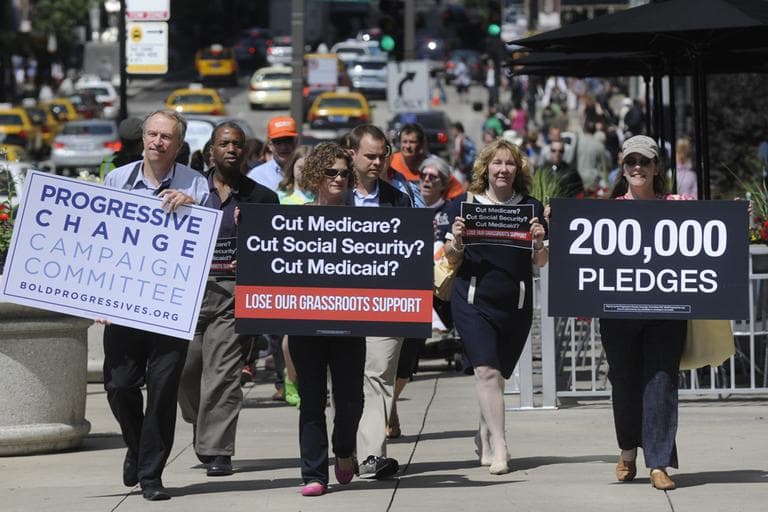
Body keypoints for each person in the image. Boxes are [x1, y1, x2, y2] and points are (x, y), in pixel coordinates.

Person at [102, 110, 210, 501]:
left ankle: (151, 475)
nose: (158, 142)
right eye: (152, 134)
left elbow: (209, 239)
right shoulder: (117, 179)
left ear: (179, 146)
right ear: (142, 138)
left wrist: (192, 206)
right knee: (119, 386)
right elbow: (103, 241)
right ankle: (137, 446)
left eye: (167, 137)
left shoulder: (196, 183)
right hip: (124, 304)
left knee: (163, 390)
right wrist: (95, 294)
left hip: (170, 307)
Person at [177, 122, 279, 478]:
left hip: (234, 293)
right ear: (211, 152)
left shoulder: (263, 198)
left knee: (223, 373)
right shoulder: (186, 188)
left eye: (237, 144)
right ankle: (203, 420)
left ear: (246, 152)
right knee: (185, 371)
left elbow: (272, 253)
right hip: (188, 291)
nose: (231, 149)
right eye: (224, 143)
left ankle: (217, 449)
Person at [444, 138, 548, 475]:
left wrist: (537, 241)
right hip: (474, 300)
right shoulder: (463, 206)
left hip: (515, 302)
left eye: (509, 164)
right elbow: (451, 258)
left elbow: (541, 261)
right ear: (485, 168)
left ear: (518, 170)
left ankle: (486, 435)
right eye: (497, 163)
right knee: (485, 371)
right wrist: (457, 241)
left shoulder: (531, 208)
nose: (503, 169)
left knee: (497, 377)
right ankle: (502, 445)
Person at [601, 135, 690, 491]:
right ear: (622, 168)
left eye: (644, 161)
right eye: (630, 161)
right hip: (618, 311)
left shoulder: (679, 204)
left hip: (666, 309)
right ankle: (627, 452)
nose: (637, 167)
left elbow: (709, 235)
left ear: (656, 168)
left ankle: (658, 463)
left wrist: (734, 217)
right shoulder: (605, 210)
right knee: (623, 380)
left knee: (661, 381)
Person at [288, 142, 365, 497]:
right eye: (331, 172)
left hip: (351, 322)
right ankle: (313, 473)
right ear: (317, 175)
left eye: (344, 174)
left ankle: (345, 448)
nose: (338, 178)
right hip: (306, 321)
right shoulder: (295, 217)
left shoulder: (365, 221)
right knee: (312, 399)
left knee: (351, 400)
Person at [346, 124, 410, 479]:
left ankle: (371, 455)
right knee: (347, 381)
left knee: (379, 375)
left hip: (386, 302)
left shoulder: (398, 199)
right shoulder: (334, 197)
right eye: (369, 155)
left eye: (382, 155)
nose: (377, 162)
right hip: (341, 304)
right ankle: (347, 452)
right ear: (352, 153)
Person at [247, 115, 298, 191]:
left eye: (288, 141)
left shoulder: (308, 174)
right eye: (278, 142)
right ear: (270, 145)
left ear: (296, 142)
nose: (283, 147)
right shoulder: (256, 176)